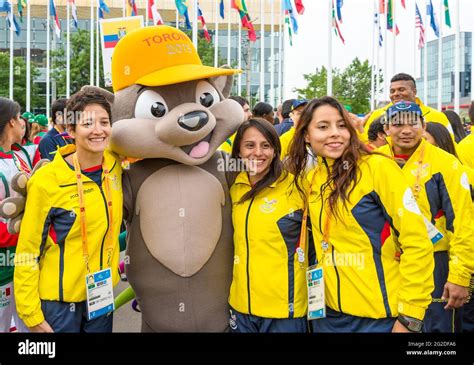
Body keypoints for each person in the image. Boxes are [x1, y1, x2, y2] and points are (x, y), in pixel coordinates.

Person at [287, 96, 435, 332]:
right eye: (323, 127)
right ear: (306, 135)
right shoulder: (311, 178)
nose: (335, 133)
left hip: (380, 319)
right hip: (328, 315)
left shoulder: (377, 168)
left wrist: (411, 317)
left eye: (342, 125)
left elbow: (417, 241)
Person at [14, 89, 123, 332]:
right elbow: (28, 251)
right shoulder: (47, 180)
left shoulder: (115, 166)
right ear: (71, 131)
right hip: (59, 305)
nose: (98, 130)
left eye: (104, 122)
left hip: (101, 297)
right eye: (88, 123)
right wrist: (31, 315)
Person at [378, 101, 473, 332]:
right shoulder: (374, 161)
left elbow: (463, 222)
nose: (406, 130)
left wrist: (460, 275)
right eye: (398, 124)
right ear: (386, 129)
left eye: (413, 123)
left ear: (424, 125)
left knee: (433, 331)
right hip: (384, 262)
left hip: (435, 263)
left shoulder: (446, 164)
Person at [228, 118, 310, 332]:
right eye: (249, 145)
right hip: (241, 309)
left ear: (275, 151)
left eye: (266, 145)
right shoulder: (234, 188)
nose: (258, 153)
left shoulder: (298, 187)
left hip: (284, 312)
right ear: (238, 151)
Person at [0, 97, 40, 332]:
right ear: (10, 123)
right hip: (4, 261)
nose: (22, 123)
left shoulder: (20, 155)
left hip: (25, 258)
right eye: (18, 118)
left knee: (28, 322)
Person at [363, 73, 453, 137]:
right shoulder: (376, 115)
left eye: (401, 89)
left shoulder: (438, 116)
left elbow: (449, 144)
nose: (396, 94)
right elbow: (367, 142)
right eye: (392, 91)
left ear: (414, 91)